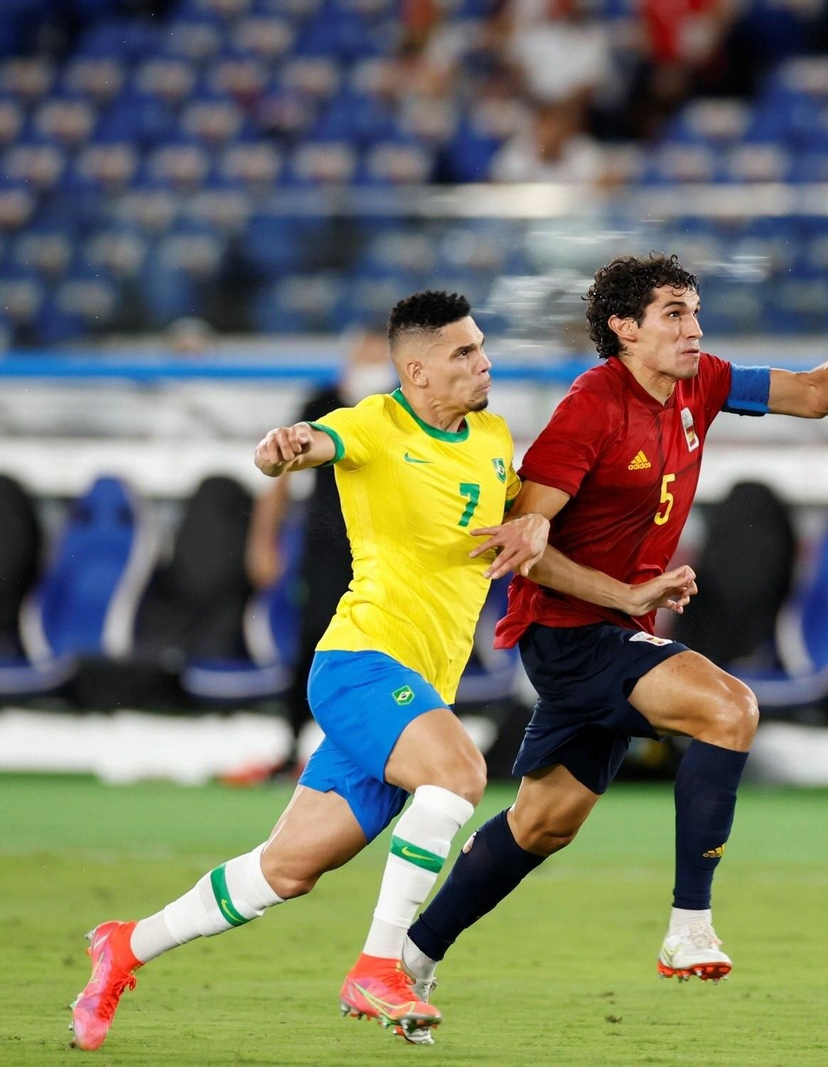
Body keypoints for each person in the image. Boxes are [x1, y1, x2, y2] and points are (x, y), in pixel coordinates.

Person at [397, 254, 828, 1021]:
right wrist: (626, 591)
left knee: (542, 823)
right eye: (674, 313)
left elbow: (816, 393)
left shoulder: (703, 381)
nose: (693, 327)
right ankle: (689, 928)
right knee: (729, 707)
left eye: (694, 311)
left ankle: (411, 954)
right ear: (624, 329)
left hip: (616, 629)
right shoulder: (590, 407)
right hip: (569, 632)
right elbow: (526, 544)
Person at [68, 292, 550, 1051]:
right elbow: (295, 448)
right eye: (462, 352)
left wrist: (586, 555)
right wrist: (279, 449)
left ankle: (122, 947)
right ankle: (377, 967)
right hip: (363, 661)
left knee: (284, 871)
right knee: (459, 772)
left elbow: (529, 526)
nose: (482, 360)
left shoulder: (492, 436)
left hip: (416, 690)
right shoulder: (373, 422)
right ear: (416, 370)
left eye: (481, 345)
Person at [244, 327, 395, 779]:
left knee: (382, 647)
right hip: (326, 545)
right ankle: (294, 742)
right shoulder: (322, 402)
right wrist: (262, 542)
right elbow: (282, 477)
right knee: (314, 641)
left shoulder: (400, 409)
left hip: (383, 546)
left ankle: (377, 745)